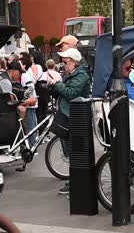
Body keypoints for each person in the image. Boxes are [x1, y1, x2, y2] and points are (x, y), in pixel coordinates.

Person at [49, 48, 91, 194]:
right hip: (69, 115)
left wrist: (58, 84)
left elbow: (71, 93)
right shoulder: (71, 74)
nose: (63, 65)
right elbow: (63, 93)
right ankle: (74, 182)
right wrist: (53, 86)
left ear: (74, 62)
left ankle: (77, 183)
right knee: (72, 151)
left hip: (76, 117)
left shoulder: (81, 75)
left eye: (66, 62)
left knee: (76, 152)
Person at [19, 55, 40, 146]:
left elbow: (30, 87)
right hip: (31, 102)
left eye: (19, 64)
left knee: (30, 125)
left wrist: (24, 96)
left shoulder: (24, 74)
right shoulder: (28, 72)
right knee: (32, 124)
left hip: (29, 103)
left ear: (24, 65)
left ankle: (32, 145)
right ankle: (33, 143)